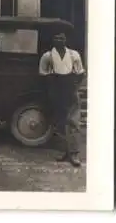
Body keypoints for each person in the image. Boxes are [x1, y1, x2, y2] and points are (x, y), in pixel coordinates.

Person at [39, 31, 86, 167]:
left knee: (74, 122)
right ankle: (64, 152)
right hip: (57, 90)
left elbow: (80, 73)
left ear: (66, 40)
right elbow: (44, 75)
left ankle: (74, 153)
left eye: (61, 37)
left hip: (71, 90)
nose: (59, 40)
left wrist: (74, 88)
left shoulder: (74, 55)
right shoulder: (47, 56)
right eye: (56, 37)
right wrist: (52, 91)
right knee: (59, 122)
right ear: (52, 40)